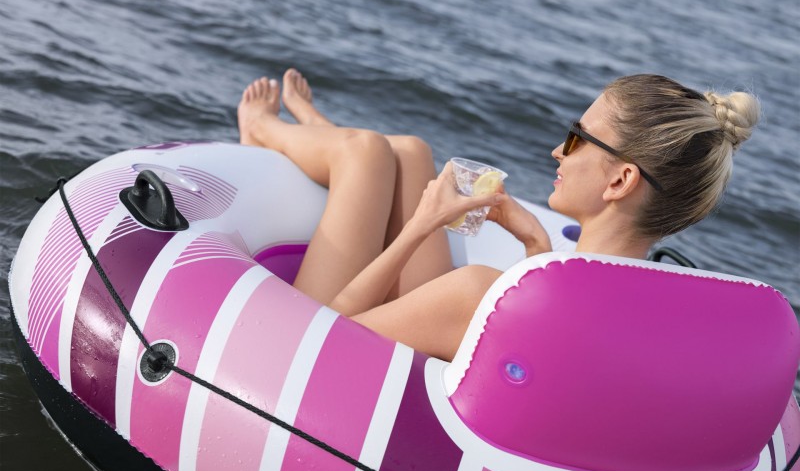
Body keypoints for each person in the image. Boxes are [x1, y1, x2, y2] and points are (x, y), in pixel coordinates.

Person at [237, 69, 760, 361]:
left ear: (620, 181)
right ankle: (320, 129)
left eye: (577, 138)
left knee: (366, 154)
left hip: (301, 354)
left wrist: (419, 226)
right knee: (412, 155)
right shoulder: (638, 305)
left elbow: (315, 342)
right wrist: (536, 250)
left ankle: (262, 129)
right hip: (454, 356)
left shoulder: (482, 296)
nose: (557, 151)